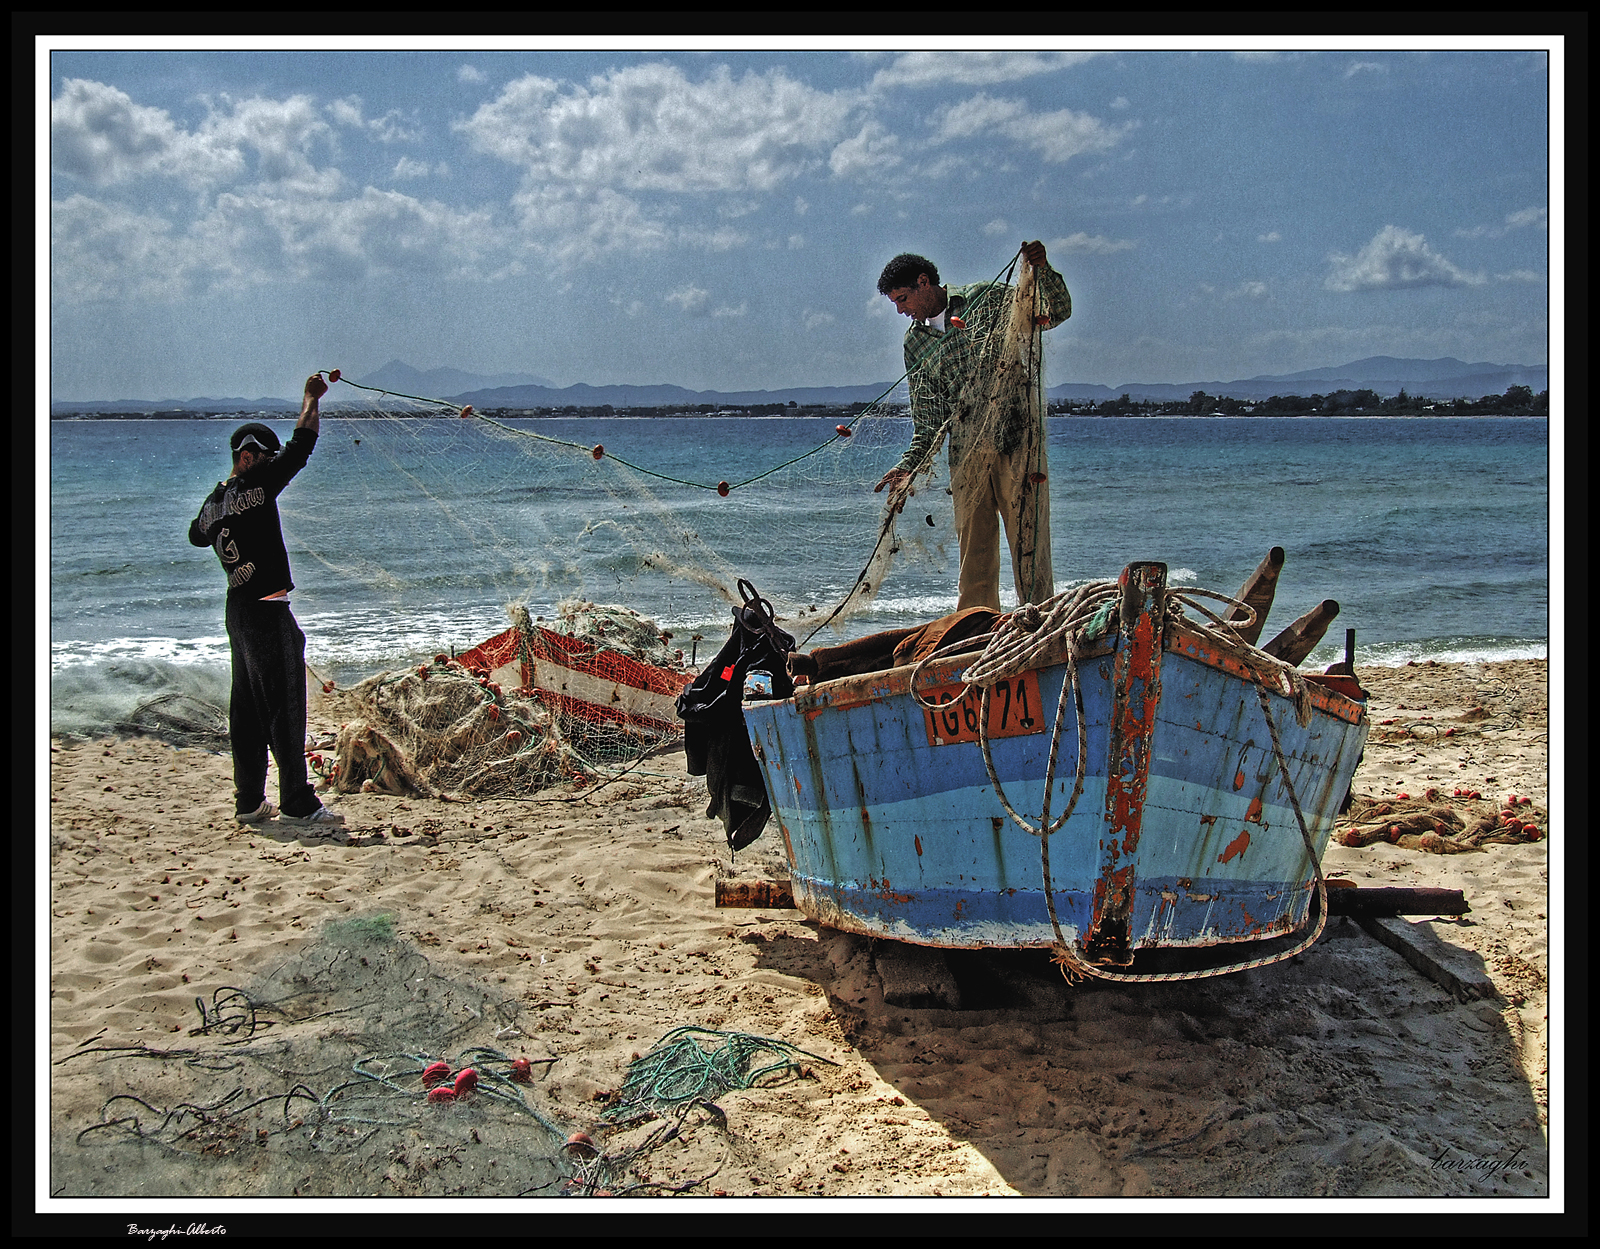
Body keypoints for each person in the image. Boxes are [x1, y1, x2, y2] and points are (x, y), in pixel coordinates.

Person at [875, 241, 1072, 611]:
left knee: (1029, 548)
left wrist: (1042, 270)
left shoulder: (986, 298)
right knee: (974, 558)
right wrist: (909, 466)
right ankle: (975, 635)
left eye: (903, 298)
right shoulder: (915, 343)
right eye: (895, 304)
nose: (901, 310)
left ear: (924, 282)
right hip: (967, 456)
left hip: (1018, 442)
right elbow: (929, 418)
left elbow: (1056, 311)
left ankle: (1040, 627)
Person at [189, 373, 345, 828]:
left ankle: (249, 801)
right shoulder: (258, 487)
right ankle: (297, 800)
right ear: (250, 456)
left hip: (236, 611)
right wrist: (310, 398)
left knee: (248, 707)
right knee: (285, 705)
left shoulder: (216, 500)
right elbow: (303, 442)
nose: (271, 461)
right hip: (265, 609)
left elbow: (197, 536)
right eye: (263, 456)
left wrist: (222, 496)